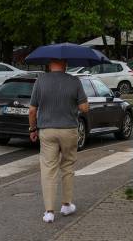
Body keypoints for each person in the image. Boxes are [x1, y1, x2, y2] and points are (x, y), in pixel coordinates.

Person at [28, 59, 89, 224]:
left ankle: (49, 212)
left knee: (49, 169)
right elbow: (84, 108)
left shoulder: (41, 81)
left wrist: (32, 129)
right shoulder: (74, 81)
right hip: (69, 130)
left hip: (47, 130)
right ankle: (66, 205)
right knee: (68, 166)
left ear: (50, 64)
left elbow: (32, 110)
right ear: (65, 65)